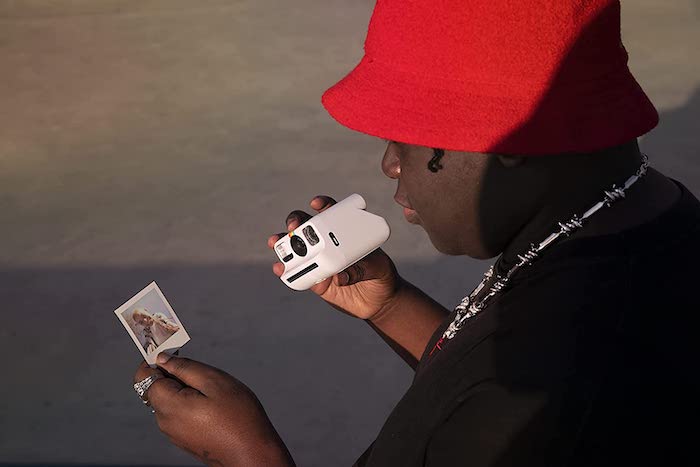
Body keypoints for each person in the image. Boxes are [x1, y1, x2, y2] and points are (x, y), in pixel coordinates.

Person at [132, 0, 700, 465]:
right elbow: (474, 380)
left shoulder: (557, 398)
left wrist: (248, 456)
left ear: (507, 138)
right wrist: (390, 307)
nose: (390, 165)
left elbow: (502, 397)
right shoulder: (639, 220)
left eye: (407, 135)